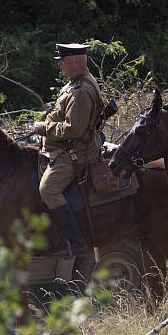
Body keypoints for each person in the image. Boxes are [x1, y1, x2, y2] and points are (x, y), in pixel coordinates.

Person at [33, 43, 106, 253]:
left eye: (63, 62)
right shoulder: (75, 83)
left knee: (48, 189)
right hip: (67, 146)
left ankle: (76, 242)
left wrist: (42, 127)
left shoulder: (81, 91)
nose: (60, 67)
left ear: (75, 61)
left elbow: (73, 129)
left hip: (77, 152)